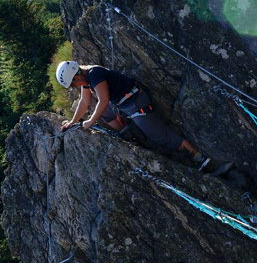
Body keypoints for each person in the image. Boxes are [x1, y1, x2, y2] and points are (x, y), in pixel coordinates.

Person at [56, 61, 233, 176]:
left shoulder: (94, 74)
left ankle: (199, 158)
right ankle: (128, 135)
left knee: (159, 136)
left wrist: (90, 122)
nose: (75, 87)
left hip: (136, 102)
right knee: (106, 113)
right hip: (124, 102)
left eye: (73, 84)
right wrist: (73, 122)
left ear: (77, 76)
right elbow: (84, 101)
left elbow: (103, 100)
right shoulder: (85, 77)